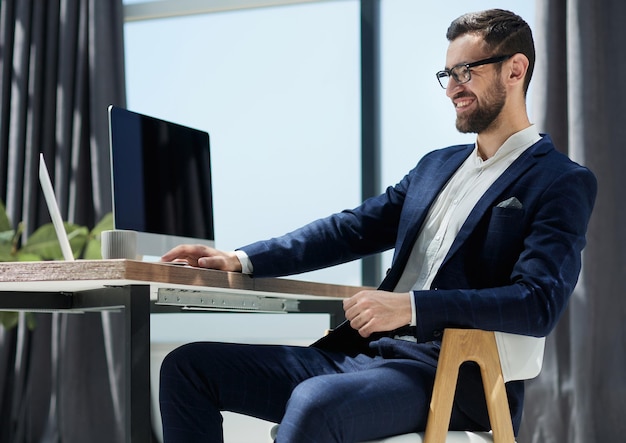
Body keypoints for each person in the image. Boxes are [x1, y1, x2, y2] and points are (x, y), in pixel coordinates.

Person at [158, 9, 597, 443]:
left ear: (515, 70)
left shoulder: (559, 180)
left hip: (451, 371)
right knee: (188, 369)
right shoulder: (435, 167)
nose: (452, 90)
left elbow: (537, 302)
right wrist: (242, 259)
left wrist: (412, 307)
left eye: (465, 72)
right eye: (447, 75)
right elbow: (349, 229)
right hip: (363, 355)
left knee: (315, 402)